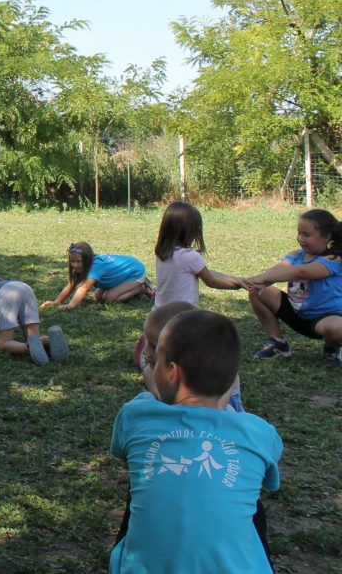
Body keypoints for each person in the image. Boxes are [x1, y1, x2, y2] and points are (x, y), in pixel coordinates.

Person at [110, 311, 281, 573]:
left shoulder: (136, 415)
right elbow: (270, 482)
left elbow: (122, 451)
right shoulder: (259, 433)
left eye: (157, 360)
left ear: (172, 372)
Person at [242, 208, 342, 366]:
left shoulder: (334, 259)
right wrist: (253, 282)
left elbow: (302, 272)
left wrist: (260, 278)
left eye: (306, 235)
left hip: (326, 319)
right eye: (299, 233)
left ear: (326, 236)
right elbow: (275, 272)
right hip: (297, 314)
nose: (300, 238)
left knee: (337, 328)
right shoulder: (296, 255)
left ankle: (332, 348)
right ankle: (278, 343)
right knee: (257, 291)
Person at [139, 301, 245, 413]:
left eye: (153, 346)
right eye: (146, 342)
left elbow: (215, 411)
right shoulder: (160, 369)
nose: (145, 351)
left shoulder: (217, 373)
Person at [153, 201, 240, 308]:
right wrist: (238, 285)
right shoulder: (190, 256)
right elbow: (211, 281)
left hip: (160, 312)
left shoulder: (163, 253)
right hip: (182, 314)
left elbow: (206, 272)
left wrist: (237, 279)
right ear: (189, 231)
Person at [40, 242, 152, 311]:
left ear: (87, 259)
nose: (75, 265)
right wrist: (57, 301)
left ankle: (141, 288)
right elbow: (71, 284)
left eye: (78, 261)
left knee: (109, 298)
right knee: (98, 297)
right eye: (72, 261)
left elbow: (84, 288)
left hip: (134, 272)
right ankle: (128, 288)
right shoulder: (83, 266)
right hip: (118, 276)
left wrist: (71, 305)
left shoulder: (96, 267)